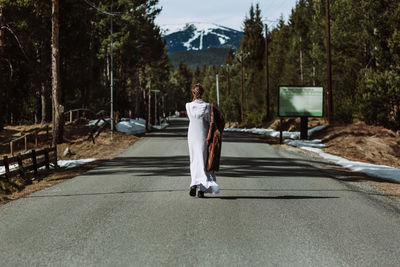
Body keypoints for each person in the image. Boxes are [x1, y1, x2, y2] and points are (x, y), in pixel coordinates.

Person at [186, 83, 220, 198]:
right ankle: (201, 188)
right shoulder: (207, 106)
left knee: (194, 160)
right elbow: (210, 121)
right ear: (202, 93)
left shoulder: (188, 106)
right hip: (203, 135)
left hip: (192, 135)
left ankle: (194, 184)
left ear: (193, 93)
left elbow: (191, 118)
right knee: (203, 160)